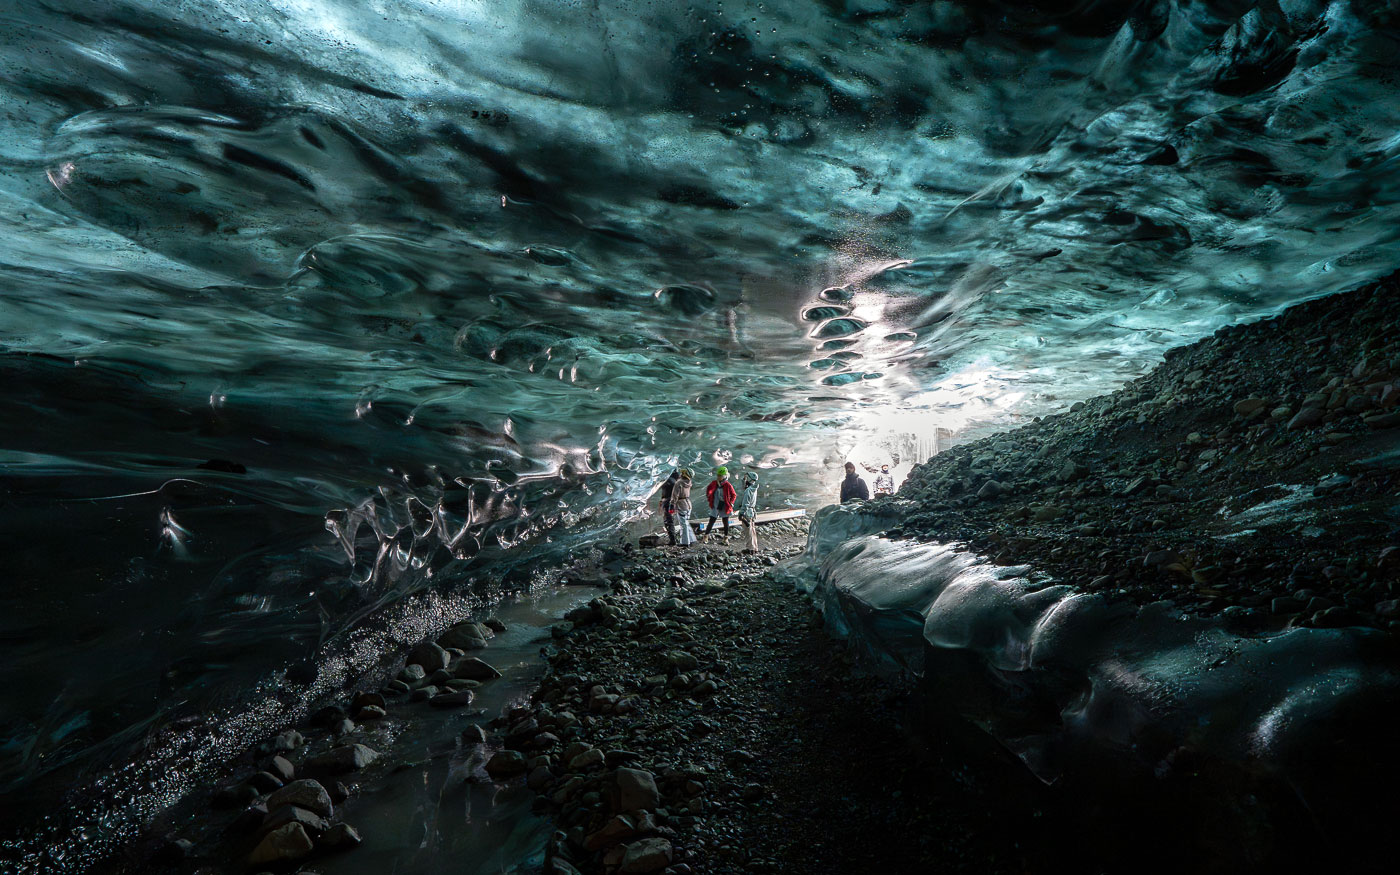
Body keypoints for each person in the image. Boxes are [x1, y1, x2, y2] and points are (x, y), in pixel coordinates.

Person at [700, 466, 737, 541]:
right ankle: (706, 536)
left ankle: (725, 537)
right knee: (712, 520)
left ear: (724, 476)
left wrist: (731, 503)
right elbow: (708, 490)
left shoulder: (728, 485)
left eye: (720, 476)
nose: (718, 477)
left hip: (724, 506)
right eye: (718, 475)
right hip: (715, 505)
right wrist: (709, 497)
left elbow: (734, 495)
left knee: (725, 522)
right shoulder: (714, 483)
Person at [736, 471, 760, 553]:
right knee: (752, 530)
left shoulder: (748, 491)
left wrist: (741, 513)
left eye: (747, 478)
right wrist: (744, 480)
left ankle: (750, 548)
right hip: (752, 512)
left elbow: (746, 503)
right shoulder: (754, 489)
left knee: (748, 531)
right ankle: (755, 547)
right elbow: (744, 486)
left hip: (747, 512)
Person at [673, 468, 696, 547]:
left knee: (683, 524)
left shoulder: (678, 483)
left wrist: (672, 505)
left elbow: (675, 496)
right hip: (688, 504)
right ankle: (692, 540)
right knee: (686, 523)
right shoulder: (689, 482)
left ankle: (685, 542)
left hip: (681, 505)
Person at [658, 468, 681, 545]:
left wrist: (662, 501)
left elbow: (664, 492)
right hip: (673, 503)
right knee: (671, 520)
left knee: (668, 521)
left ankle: (673, 540)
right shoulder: (676, 482)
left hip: (667, 502)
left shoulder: (668, 481)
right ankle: (674, 538)